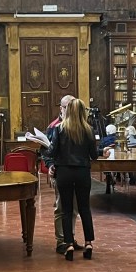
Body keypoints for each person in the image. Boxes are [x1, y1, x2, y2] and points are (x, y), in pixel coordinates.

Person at [45, 98, 99, 261]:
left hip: (64, 172)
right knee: (84, 208)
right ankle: (88, 243)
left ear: (68, 111)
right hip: (82, 172)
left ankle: (68, 244)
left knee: (66, 209)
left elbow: (52, 152)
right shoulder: (88, 130)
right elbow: (94, 155)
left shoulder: (60, 128)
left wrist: (47, 147)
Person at [43, 96, 79, 251]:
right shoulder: (54, 127)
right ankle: (61, 241)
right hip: (60, 171)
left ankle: (70, 237)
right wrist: (50, 165)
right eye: (67, 107)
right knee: (61, 207)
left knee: (74, 208)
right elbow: (46, 151)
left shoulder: (78, 125)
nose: (70, 110)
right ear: (61, 108)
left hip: (76, 172)